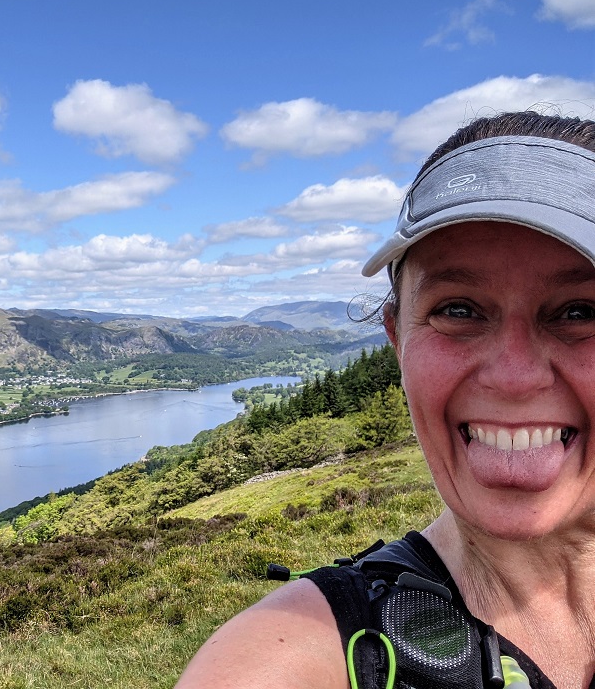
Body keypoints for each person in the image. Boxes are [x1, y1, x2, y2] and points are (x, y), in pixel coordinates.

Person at [174, 110, 595, 689]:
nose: (514, 377)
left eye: (580, 312)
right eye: (458, 309)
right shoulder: (299, 653)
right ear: (398, 340)